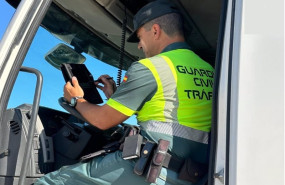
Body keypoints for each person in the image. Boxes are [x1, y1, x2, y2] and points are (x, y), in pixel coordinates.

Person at [35, 1, 214, 185]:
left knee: (54, 180)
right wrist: (113, 96)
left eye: (140, 37)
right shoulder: (211, 70)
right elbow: (170, 111)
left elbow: (102, 121)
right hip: (192, 174)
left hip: (151, 171)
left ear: (155, 30)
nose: (139, 46)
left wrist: (76, 99)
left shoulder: (151, 67)